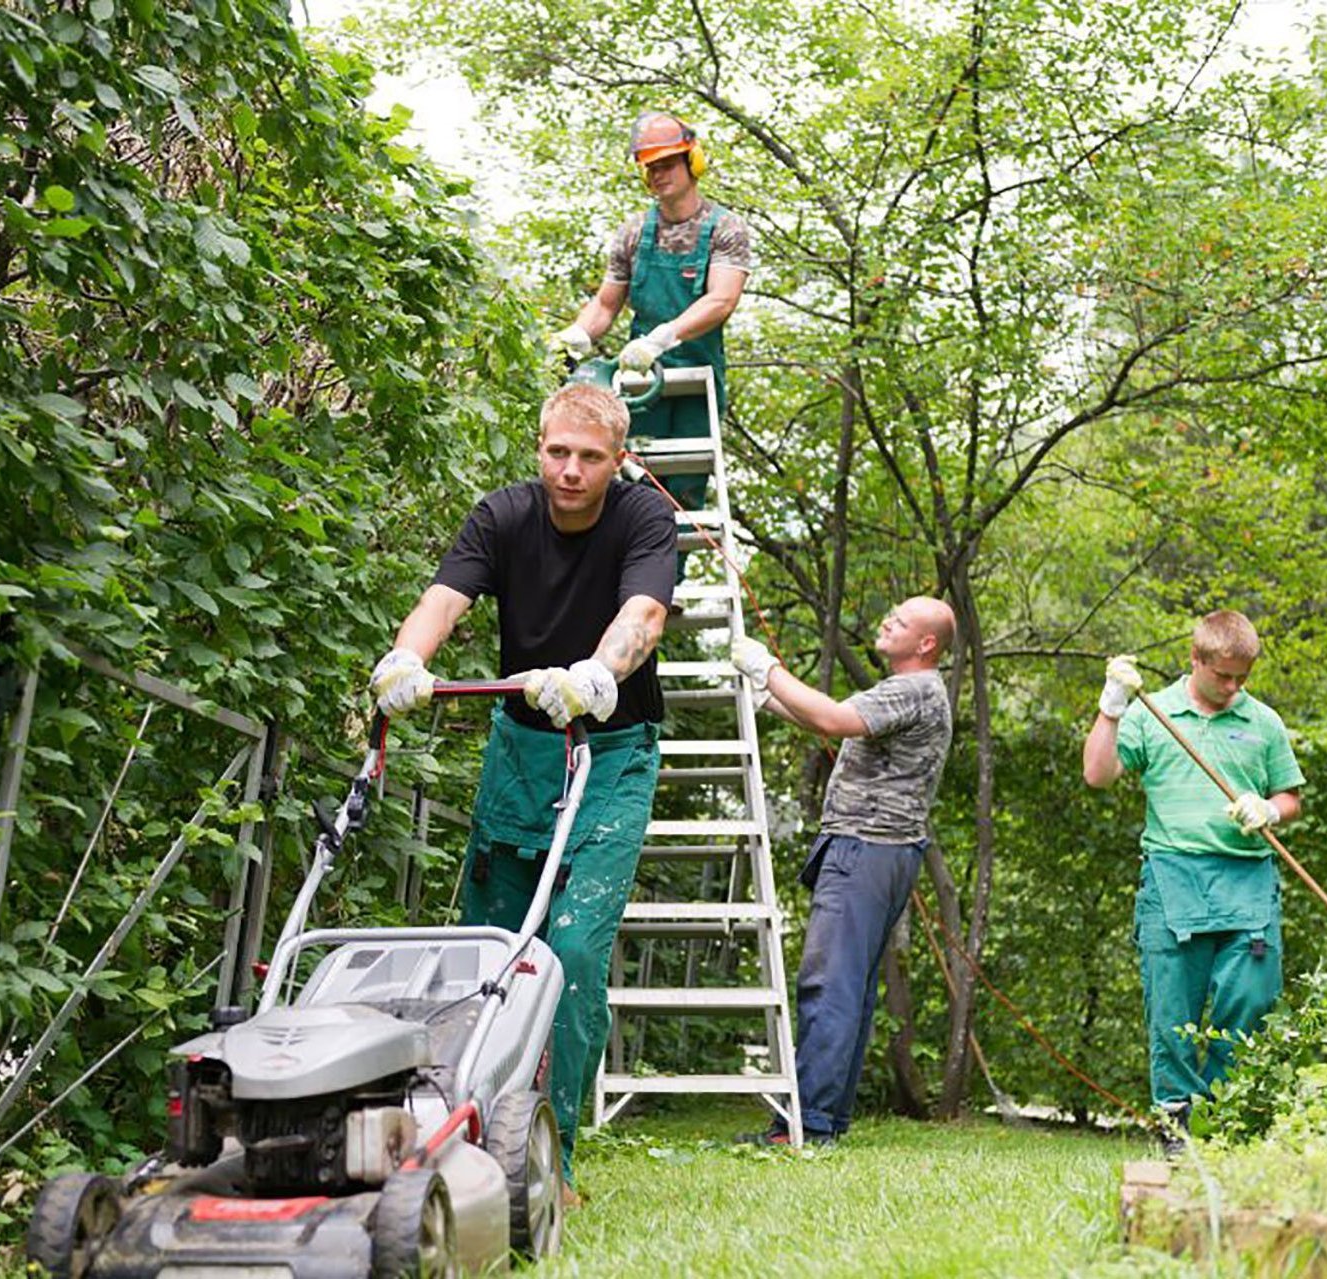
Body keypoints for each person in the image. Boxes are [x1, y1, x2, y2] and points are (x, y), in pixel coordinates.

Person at [369, 381, 676, 1201]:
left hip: (611, 752)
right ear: (539, 447)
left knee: (571, 951)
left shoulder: (644, 519)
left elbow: (643, 615)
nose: (570, 471)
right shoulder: (502, 516)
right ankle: (471, 1136)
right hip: (520, 751)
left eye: (589, 457)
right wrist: (406, 660)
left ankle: (554, 1156)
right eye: (557, 452)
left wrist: (596, 673)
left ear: (619, 460)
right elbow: (443, 599)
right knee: (489, 949)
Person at [729, 596, 956, 1144]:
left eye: (900, 621)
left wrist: (769, 668)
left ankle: (806, 1125)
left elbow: (831, 720)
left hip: (867, 850)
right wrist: (769, 696)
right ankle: (823, 1118)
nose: (886, 622)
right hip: (880, 851)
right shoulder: (913, 692)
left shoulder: (913, 688)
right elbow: (834, 721)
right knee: (847, 988)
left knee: (829, 985)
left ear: (926, 644)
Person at [1082, 609, 1305, 1153]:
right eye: (1223, 675)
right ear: (1196, 660)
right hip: (1173, 877)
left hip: (1247, 881)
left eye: (1243, 678)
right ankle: (1176, 1129)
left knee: (1248, 1004)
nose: (1233, 688)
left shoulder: (1264, 723)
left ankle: (1225, 1121)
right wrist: (1111, 709)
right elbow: (1098, 775)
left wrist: (1270, 811)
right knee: (1173, 1013)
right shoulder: (1153, 713)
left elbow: (1291, 797)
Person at [551, 110, 753, 516]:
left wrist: (661, 339)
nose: (658, 174)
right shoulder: (634, 232)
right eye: (650, 167)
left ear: (692, 161)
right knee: (632, 484)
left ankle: (673, 578)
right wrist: (576, 337)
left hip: (696, 377)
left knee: (684, 494)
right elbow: (607, 304)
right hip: (641, 379)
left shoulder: (724, 228)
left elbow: (721, 300)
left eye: (667, 164)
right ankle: (631, 578)